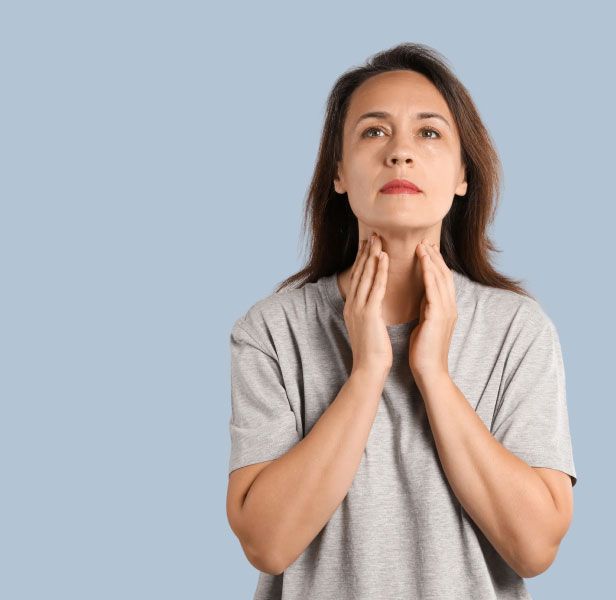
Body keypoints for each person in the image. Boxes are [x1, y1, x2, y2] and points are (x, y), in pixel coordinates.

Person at [225, 42, 577, 600]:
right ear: (338, 173)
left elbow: (535, 546)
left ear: (464, 174)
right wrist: (367, 371)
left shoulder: (518, 329)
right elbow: (267, 544)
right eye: (373, 131)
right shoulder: (272, 330)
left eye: (429, 133)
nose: (400, 154)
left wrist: (432, 372)